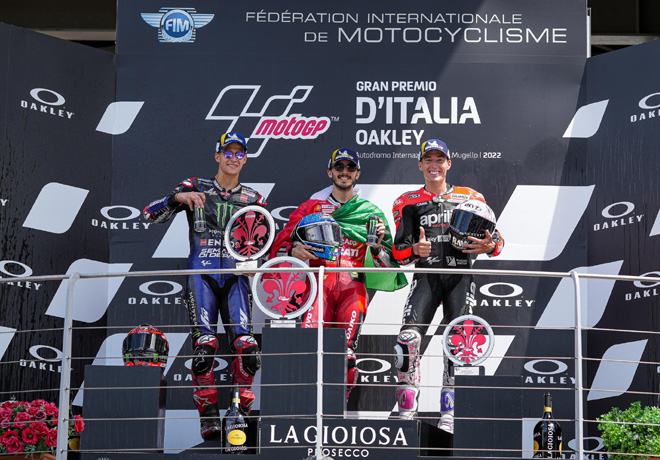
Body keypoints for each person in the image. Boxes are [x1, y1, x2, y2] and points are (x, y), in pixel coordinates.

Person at [143, 132, 265, 440]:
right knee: (204, 348)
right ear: (217, 156)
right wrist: (177, 199)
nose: (233, 158)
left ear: (245, 158)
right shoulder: (195, 186)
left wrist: (257, 264)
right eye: (228, 152)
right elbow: (149, 214)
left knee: (248, 349)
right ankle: (208, 415)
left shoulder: (254, 198)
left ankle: (239, 412)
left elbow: (264, 243)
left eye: (240, 153)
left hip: (237, 278)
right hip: (201, 276)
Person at [269, 148, 407, 400]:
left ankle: (335, 415)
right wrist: (293, 251)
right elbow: (279, 247)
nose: (345, 172)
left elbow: (389, 265)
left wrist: (377, 248)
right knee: (312, 351)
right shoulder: (311, 207)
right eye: (339, 167)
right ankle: (310, 413)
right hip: (318, 287)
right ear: (330, 172)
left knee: (347, 359)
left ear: (358, 173)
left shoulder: (371, 212)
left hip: (353, 288)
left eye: (350, 167)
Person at [391, 139, 504, 433]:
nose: (434, 165)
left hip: (460, 277)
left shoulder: (471, 196)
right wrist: (415, 250)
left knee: (460, 344)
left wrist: (490, 246)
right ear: (420, 165)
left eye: (439, 159)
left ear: (448, 164)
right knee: (407, 340)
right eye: (428, 159)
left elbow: (497, 242)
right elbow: (398, 253)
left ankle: (450, 415)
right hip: (426, 277)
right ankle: (406, 413)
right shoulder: (407, 201)